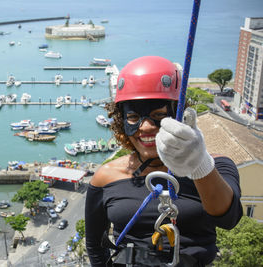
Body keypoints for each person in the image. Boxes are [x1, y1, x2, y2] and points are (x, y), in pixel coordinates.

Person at [85, 56, 242, 267]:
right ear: (121, 122)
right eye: (133, 118)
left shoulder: (216, 166)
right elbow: (95, 245)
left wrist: (199, 165)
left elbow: (228, 218)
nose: (146, 127)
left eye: (159, 114)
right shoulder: (106, 176)